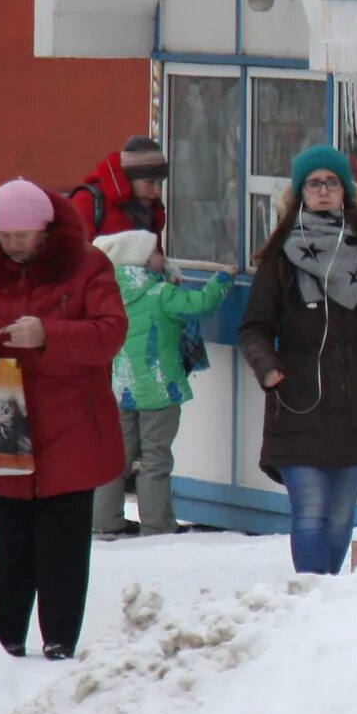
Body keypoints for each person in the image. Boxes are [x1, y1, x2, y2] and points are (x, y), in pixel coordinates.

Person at [0, 180, 126, 659]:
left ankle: (61, 640)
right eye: (6, 236)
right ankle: (3, 637)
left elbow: (110, 334)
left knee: (63, 541)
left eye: (24, 235)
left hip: (71, 421)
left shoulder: (88, 266)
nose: (15, 244)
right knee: (7, 538)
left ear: (46, 230)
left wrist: (48, 334)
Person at [237, 146, 357, 575]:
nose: (323, 191)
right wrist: (268, 370)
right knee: (311, 509)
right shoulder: (280, 258)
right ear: (299, 193)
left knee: (341, 519)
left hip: (355, 399)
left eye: (332, 182)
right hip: (295, 398)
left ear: (346, 191)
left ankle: (324, 607)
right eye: (313, 183)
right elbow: (253, 328)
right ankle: (310, 602)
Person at [93, 230, 230, 539]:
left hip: (122, 388)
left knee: (116, 458)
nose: (163, 258)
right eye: (156, 253)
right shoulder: (161, 294)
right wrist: (222, 280)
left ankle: (104, 521)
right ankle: (157, 525)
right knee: (155, 458)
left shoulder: (108, 292)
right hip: (160, 389)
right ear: (142, 259)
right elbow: (200, 304)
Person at [64, 135, 169, 244]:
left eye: (160, 183)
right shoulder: (87, 200)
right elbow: (80, 253)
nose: (158, 191)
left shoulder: (151, 212)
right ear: (128, 178)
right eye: (150, 182)